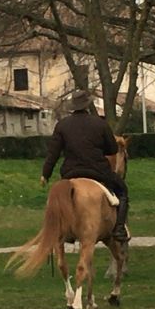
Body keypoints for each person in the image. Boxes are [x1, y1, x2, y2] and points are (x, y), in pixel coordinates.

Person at [40, 89, 130, 242]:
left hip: (70, 173)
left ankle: (64, 230)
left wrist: (45, 174)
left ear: (72, 107)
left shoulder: (62, 125)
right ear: (88, 105)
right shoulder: (100, 124)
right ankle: (119, 228)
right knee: (122, 192)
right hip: (98, 171)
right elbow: (112, 150)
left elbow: (53, 153)